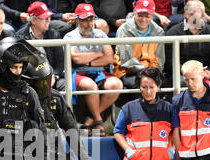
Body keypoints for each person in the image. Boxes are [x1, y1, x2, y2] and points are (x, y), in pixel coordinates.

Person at [64, 3, 123, 137]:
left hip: (100, 72)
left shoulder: (100, 34)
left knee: (116, 84)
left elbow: (109, 58)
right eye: (85, 20)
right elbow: (77, 60)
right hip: (77, 72)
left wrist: (88, 59)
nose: (89, 23)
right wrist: (98, 53)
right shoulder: (69, 37)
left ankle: (90, 120)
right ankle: (98, 121)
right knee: (89, 85)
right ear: (78, 20)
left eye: (91, 19)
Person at [165, 0, 210, 88]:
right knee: (182, 82)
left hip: (204, 71)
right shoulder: (173, 33)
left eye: (204, 12)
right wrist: (191, 72)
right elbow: (170, 62)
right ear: (188, 14)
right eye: (200, 12)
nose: (204, 15)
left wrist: (209, 70)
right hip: (183, 73)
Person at [113, 0, 165, 90]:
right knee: (142, 86)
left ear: (152, 15)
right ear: (134, 12)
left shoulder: (159, 31)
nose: (143, 19)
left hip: (151, 72)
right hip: (128, 72)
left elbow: (160, 59)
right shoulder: (124, 30)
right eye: (140, 15)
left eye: (147, 16)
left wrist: (153, 72)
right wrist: (147, 71)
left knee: (166, 85)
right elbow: (127, 60)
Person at [16, 1, 66, 91]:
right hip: (29, 77)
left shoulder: (54, 34)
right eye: (45, 18)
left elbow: (60, 63)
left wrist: (54, 76)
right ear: (33, 20)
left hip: (52, 76)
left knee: (64, 85)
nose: (49, 20)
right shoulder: (20, 37)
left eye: (49, 17)